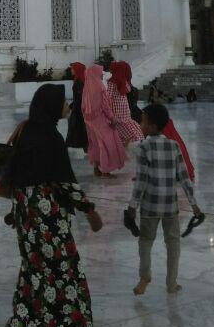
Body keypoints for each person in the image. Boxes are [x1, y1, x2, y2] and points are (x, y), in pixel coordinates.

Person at [4, 83, 102, 327]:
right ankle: (61, 321)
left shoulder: (25, 132)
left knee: (34, 266)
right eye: (63, 102)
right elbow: (65, 182)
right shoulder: (51, 138)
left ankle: (28, 323)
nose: (67, 105)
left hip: (26, 213)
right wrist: (89, 210)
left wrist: (15, 212)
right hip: (47, 215)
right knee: (60, 265)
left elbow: (16, 177)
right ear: (51, 106)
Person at [127, 103, 198, 296]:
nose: (140, 125)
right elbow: (184, 177)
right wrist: (194, 204)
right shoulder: (174, 146)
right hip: (170, 207)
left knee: (145, 242)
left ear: (152, 126)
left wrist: (132, 206)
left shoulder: (143, 148)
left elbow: (141, 181)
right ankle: (171, 282)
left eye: (143, 121)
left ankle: (144, 277)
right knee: (173, 243)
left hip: (150, 206)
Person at [81, 65, 128, 177]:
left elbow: (83, 107)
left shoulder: (86, 88)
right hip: (101, 120)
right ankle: (106, 170)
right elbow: (105, 107)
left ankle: (96, 168)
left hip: (89, 121)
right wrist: (112, 118)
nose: (102, 74)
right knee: (106, 144)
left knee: (95, 144)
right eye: (100, 72)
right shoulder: (100, 87)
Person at [108, 62, 144, 144]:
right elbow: (128, 89)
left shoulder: (112, 82)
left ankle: (122, 144)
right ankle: (131, 140)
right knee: (127, 128)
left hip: (115, 111)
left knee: (117, 130)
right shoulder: (124, 82)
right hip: (125, 111)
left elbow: (108, 96)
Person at [65, 62, 88, 151]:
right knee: (78, 127)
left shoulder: (79, 82)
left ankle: (84, 145)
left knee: (78, 127)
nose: (71, 70)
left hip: (79, 110)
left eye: (73, 68)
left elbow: (79, 98)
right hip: (78, 108)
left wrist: (72, 107)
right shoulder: (79, 80)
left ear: (77, 70)